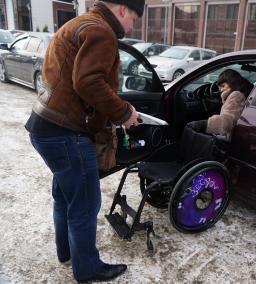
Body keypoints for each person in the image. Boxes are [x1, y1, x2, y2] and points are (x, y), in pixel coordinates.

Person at [24, 0, 144, 282]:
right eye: (135, 19)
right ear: (123, 9)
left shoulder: (79, 23)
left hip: (44, 125)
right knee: (86, 203)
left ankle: (66, 252)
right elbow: (88, 82)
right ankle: (88, 268)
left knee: (65, 196)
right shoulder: (102, 32)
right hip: (65, 132)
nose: (132, 26)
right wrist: (124, 112)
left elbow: (68, 78)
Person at [205, 69, 253, 139]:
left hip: (231, 139)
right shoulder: (241, 93)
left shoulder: (236, 95)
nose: (221, 90)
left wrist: (207, 124)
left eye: (223, 86)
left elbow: (228, 119)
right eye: (220, 87)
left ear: (232, 83)